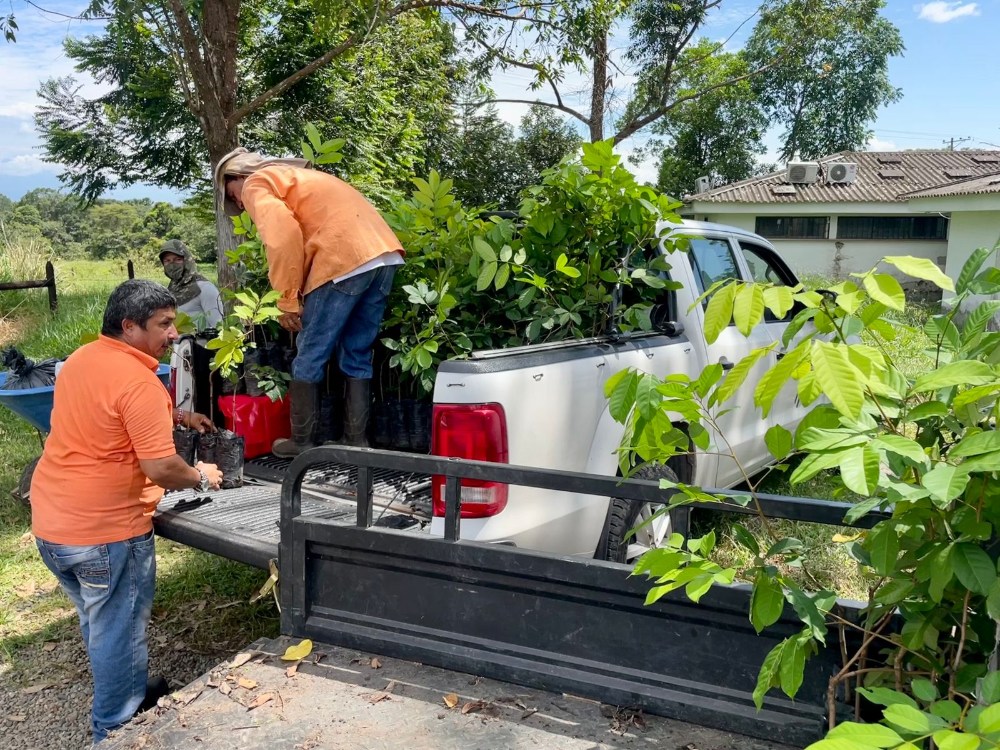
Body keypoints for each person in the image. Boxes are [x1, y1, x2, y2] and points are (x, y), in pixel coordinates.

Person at [30, 279, 223, 744]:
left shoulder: (80, 360)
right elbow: (159, 467)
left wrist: (176, 417)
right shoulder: (138, 380)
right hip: (105, 534)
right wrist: (201, 476)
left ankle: (129, 692)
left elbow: (103, 412)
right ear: (129, 326)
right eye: (164, 324)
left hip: (52, 526)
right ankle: (115, 729)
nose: (174, 333)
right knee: (118, 632)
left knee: (100, 622)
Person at [214, 148, 404, 456]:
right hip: (383, 256)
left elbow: (283, 237)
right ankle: (356, 442)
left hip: (344, 259)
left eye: (232, 195)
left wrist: (287, 300)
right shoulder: (301, 177)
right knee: (356, 352)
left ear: (237, 177)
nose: (239, 202)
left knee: (310, 354)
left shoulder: (256, 182)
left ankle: (302, 443)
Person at [158, 239, 224, 330]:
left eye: (178, 259)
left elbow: (218, 327)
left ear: (187, 260)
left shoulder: (204, 288)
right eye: (167, 261)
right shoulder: (168, 291)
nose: (172, 265)